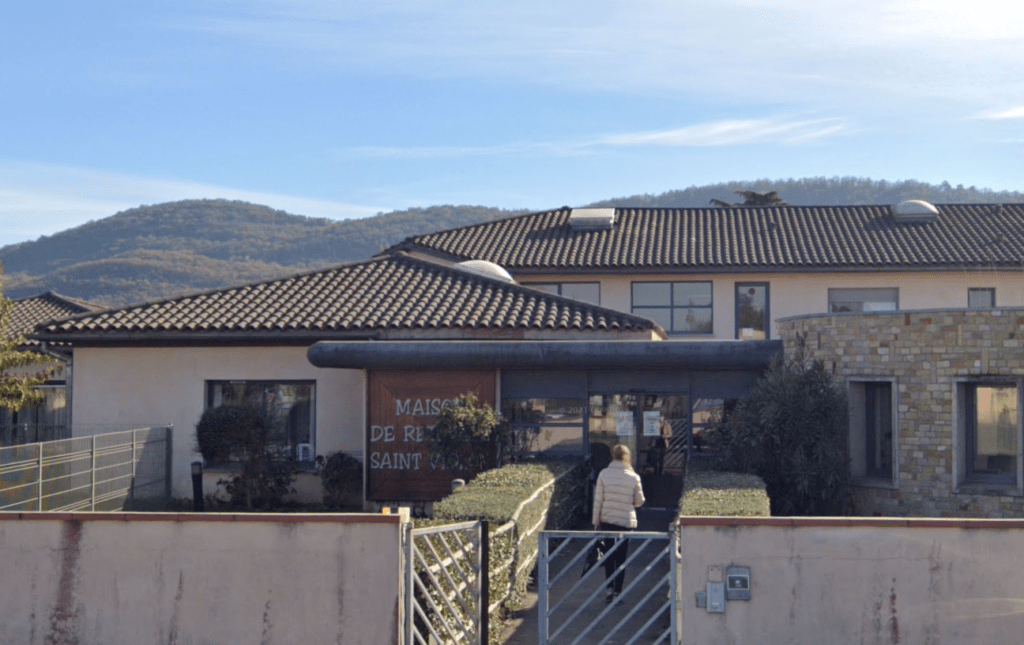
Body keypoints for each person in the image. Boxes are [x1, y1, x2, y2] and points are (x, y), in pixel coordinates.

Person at [592, 444, 645, 603]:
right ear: (627, 457)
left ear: (612, 455)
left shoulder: (603, 474)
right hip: (625, 521)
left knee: (608, 554)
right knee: (621, 557)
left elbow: (598, 501)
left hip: (607, 520)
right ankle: (618, 592)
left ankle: (609, 589)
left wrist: (595, 522)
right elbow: (640, 501)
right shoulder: (633, 477)